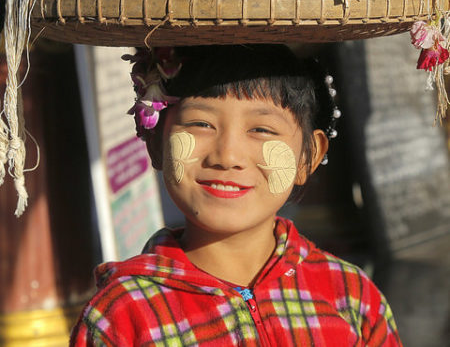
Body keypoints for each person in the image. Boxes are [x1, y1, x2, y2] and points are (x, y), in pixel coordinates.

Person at [70, 44, 402, 346]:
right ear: (157, 145)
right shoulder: (123, 316)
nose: (226, 156)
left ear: (308, 156)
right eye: (200, 124)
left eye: (261, 129)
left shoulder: (351, 295)